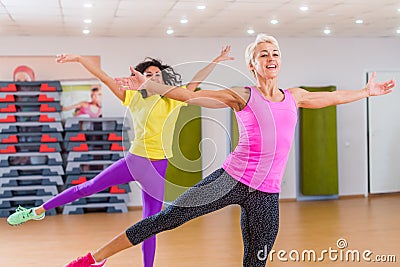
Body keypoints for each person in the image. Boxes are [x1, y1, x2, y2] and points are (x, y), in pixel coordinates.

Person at [63, 33, 395, 267]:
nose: (271, 58)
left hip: (266, 194)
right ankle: (93, 259)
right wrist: (148, 84)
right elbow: (190, 97)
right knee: (165, 219)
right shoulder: (243, 94)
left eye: (275, 53)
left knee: (256, 259)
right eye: (263, 54)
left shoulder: (296, 96)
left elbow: (333, 98)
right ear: (253, 65)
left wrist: (366, 92)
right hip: (229, 179)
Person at [7, 47, 234, 267]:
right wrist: (78, 58)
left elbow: (196, 81)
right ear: (141, 78)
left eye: (157, 75)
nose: (153, 77)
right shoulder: (133, 97)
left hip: (158, 168)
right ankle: (37, 211)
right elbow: (103, 76)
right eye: (148, 74)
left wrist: (217, 59)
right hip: (134, 161)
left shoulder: (174, 99)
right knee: (87, 187)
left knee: (150, 225)